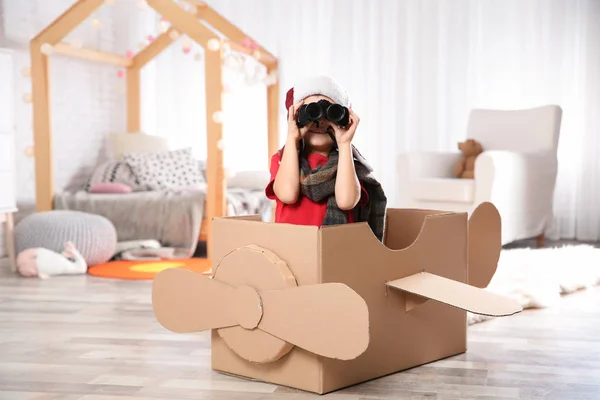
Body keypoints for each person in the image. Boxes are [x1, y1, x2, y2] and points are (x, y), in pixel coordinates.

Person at [265, 75, 387, 241]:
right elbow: (287, 194)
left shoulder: (350, 166)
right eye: (310, 111)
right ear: (294, 117)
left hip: (335, 251)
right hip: (291, 248)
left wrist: (345, 144)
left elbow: (346, 201)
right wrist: (292, 139)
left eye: (331, 112)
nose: (319, 121)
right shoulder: (282, 159)